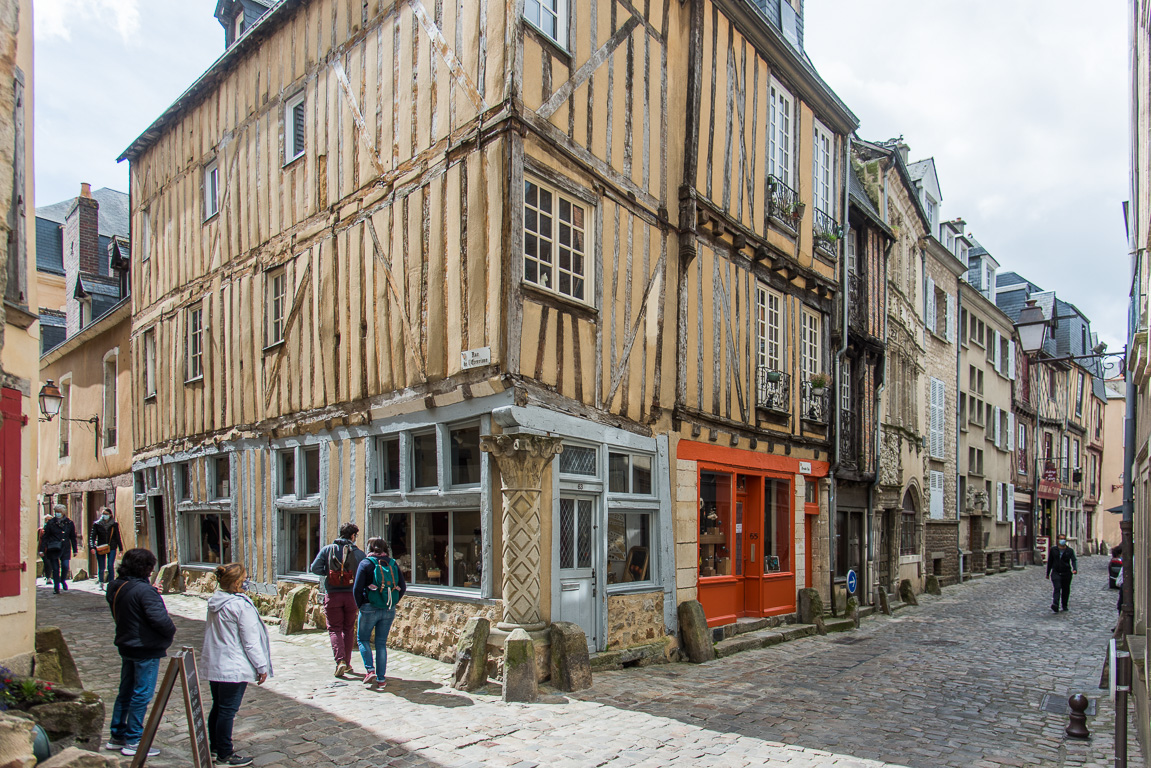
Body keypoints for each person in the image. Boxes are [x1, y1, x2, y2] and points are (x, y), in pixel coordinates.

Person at [105, 548, 176, 757]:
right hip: (145, 647)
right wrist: (170, 631)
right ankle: (134, 740)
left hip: (127, 644)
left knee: (126, 691)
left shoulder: (117, 586)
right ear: (145, 568)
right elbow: (161, 621)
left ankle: (117, 735)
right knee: (141, 693)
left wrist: (148, 590)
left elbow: (131, 604)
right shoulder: (144, 592)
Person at [201, 563, 272, 767]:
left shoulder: (216, 601)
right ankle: (225, 752)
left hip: (217, 662)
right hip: (233, 664)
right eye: (245, 578)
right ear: (237, 582)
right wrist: (261, 666)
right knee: (227, 711)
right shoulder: (240, 605)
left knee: (219, 707)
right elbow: (250, 640)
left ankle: (215, 748)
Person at [309, 522, 365, 678]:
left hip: (333, 595)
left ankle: (339, 661)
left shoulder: (328, 550)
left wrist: (328, 572)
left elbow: (314, 568)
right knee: (348, 629)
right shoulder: (359, 554)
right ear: (353, 536)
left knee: (334, 629)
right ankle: (346, 663)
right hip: (351, 596)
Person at [352, 537, 406, 689]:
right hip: (388, 608)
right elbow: (403, 586)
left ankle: (370, 670)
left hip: (369, 607)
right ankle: (382, 678)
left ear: (370, 548)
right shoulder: (393, 563)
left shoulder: (366, 563)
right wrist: (392, 601)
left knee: (362, 639)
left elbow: (357, 588)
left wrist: (361, 605)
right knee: (381, 643)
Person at [41, 504, 78, 594]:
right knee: (55, 568)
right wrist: (42, 549)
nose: (57, 514)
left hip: (65, 547)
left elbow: (73, 537)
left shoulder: (69, 523)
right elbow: (45, 537)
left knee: (65, 566)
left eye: (59, 512)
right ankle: (56, 588)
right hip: (53, 547)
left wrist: (75, 549)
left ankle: (62, 580)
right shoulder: (51, 523)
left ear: (63, 513)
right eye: (56, 512)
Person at [89, 507, 124, 590]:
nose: (104, 516)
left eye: (106, 514)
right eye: (103, 514)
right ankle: (101, 583)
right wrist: (92, 546)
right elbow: (92, 537)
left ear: (110, 515)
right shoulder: (97, 524)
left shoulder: (114, 524)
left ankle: (111, 583)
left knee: (110, 565)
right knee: (101, 566)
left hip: (111, 546)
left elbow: (117, 536)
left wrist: (121, 548)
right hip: (100, 547)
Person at [1047, 536, 1078, 613]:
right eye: (1060, 539)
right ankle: (1055, 604)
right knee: (1057, 587)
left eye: (1063, 538)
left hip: (1066, 573)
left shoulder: (1069, 550)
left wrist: (1074, 569)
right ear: (1057, 540)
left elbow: (1073, 560)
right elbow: (1050, 561)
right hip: (1056, 572)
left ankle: (1064, 605)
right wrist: (1047, 573)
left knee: (1065, 589)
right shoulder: (1054, 550)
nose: (1062, 540)